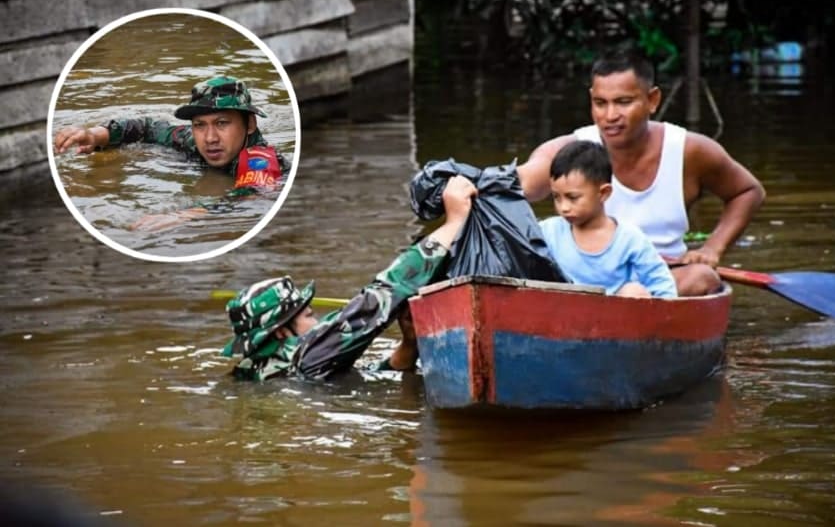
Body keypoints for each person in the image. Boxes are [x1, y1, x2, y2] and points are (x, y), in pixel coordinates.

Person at [517, 47, 766, 296]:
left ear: (652, 100)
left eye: (624, 102)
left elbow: (747, 191)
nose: (610, 116)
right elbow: (521, 181)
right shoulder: (569, 150)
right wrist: (478, 183)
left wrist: (712, 249)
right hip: (582, 283)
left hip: (661, 280)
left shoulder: (690, 151)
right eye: (600, 103)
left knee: (702, 278)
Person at [220, 175, 478, 381]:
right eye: (306, 315)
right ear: (279, 333)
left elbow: (365, 377)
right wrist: (453, 223)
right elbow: (379, 298)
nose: (314, 313)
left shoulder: (261, 372)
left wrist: (409, 345)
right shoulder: (306, 355)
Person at [52, 75, 288, 230]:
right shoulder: (194, 140)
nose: (210, 138)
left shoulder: (261, 159)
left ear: (249, 124)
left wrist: (183, 216)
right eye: (200, 125)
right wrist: (95, 135)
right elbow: (148, 128)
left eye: (222, 123)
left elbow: (251, 196)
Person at [539, 140, 677, 298]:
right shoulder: (547, 232)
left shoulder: (629, 239)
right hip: (563, 312)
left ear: (603, 193)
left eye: (573, 197)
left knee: (634, 291)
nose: (563, 207)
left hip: (613, 316)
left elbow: (662, 285)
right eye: (556, 197)